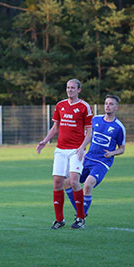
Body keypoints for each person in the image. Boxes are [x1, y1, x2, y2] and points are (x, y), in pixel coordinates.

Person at [37, 79, 93, 230]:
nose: (70, 90)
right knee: (57, 182)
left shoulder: (84, 107)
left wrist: (82, 147)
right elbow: (55, 127)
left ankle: (80, 217)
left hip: (76, 149)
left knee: (74, 181)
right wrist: (44, 141)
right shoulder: (60, 105)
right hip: (61, 149)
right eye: (68, 88)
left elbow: (89, 131)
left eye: (73, 88)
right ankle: (59, 219)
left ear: (79, 90)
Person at [65, 95, 126, 218]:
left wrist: (111, 153)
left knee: (88, 185)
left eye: (111, 104)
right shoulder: (95, 120)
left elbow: (122, 149)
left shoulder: (119, 127)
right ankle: (81, 211)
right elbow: (85, 135)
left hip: (102, 162)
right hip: (87, 158)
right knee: (67, 182)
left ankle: (80, 217)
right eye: (106, 103)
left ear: (116, 108)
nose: (107, 106)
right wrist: (80, 148)